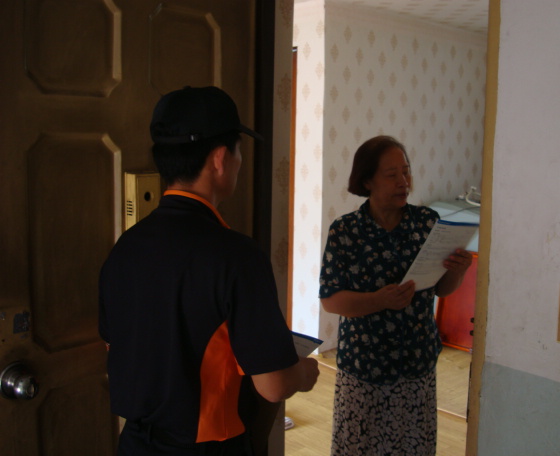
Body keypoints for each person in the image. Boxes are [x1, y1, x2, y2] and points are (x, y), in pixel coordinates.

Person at [99, 86, 319, 456]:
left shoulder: (125, 248)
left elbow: (116, 346)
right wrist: (302, 372)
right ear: (219, 159)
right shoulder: (237, 256)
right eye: (238, 151)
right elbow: (273, 385)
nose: (239, 162)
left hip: (135, 444)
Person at [319, 135, 473, 456]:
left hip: (416, 362)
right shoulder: (345, 231)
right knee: (360, 447)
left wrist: (457, 271)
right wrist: (379, 300)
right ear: (367, 181)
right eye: (392, 175)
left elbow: (440, 289)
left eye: (406, 172)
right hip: (364, 366)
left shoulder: (427, 223)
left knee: (413, 447)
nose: (404, 182)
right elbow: (331, 299)